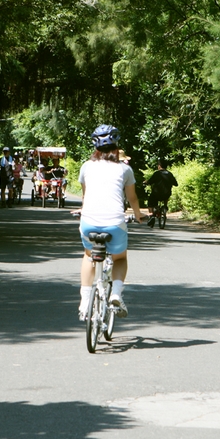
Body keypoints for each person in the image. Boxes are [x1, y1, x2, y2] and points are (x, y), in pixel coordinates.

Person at [78, 125, 144, 320]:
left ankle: (84, 301)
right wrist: (138, 215)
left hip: (88, 221)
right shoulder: (125, 169)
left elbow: (86, 196)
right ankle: (115, 293)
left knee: (89, 255)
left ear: (95, 148)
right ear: (116, 147)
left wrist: (83, 211)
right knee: (120, 258)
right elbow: (132, 199)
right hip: (115, 222)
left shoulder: (86, 166)